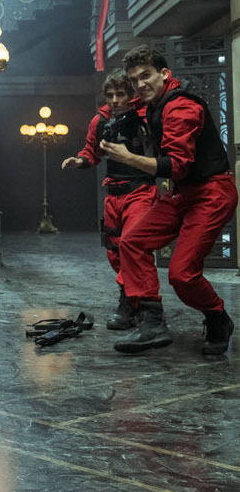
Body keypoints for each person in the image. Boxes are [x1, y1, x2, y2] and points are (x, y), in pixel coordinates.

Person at [99, 45, 237, 354]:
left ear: (164, 74)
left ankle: (217, 316)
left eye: (146, 76)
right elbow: (115, 105)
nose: (140, 84)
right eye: (134, 80)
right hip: (183, 193)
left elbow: (177, 166)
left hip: (212, 192)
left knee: (182, 274)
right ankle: (152, 322)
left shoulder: (181, 108)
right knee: (132, 242)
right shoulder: (152, 100)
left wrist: (128, 157)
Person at [61, 70, 157, 330]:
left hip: (140, 189)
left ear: (131, 94)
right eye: (110, 95)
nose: (115, 100)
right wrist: (79, 161)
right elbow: (91, 152)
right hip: (113, 192)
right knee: (115, 252)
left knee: (133, 247)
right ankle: (131, 300)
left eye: (120, 94)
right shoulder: (100, 121)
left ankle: (145, 308)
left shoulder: (145, 116)